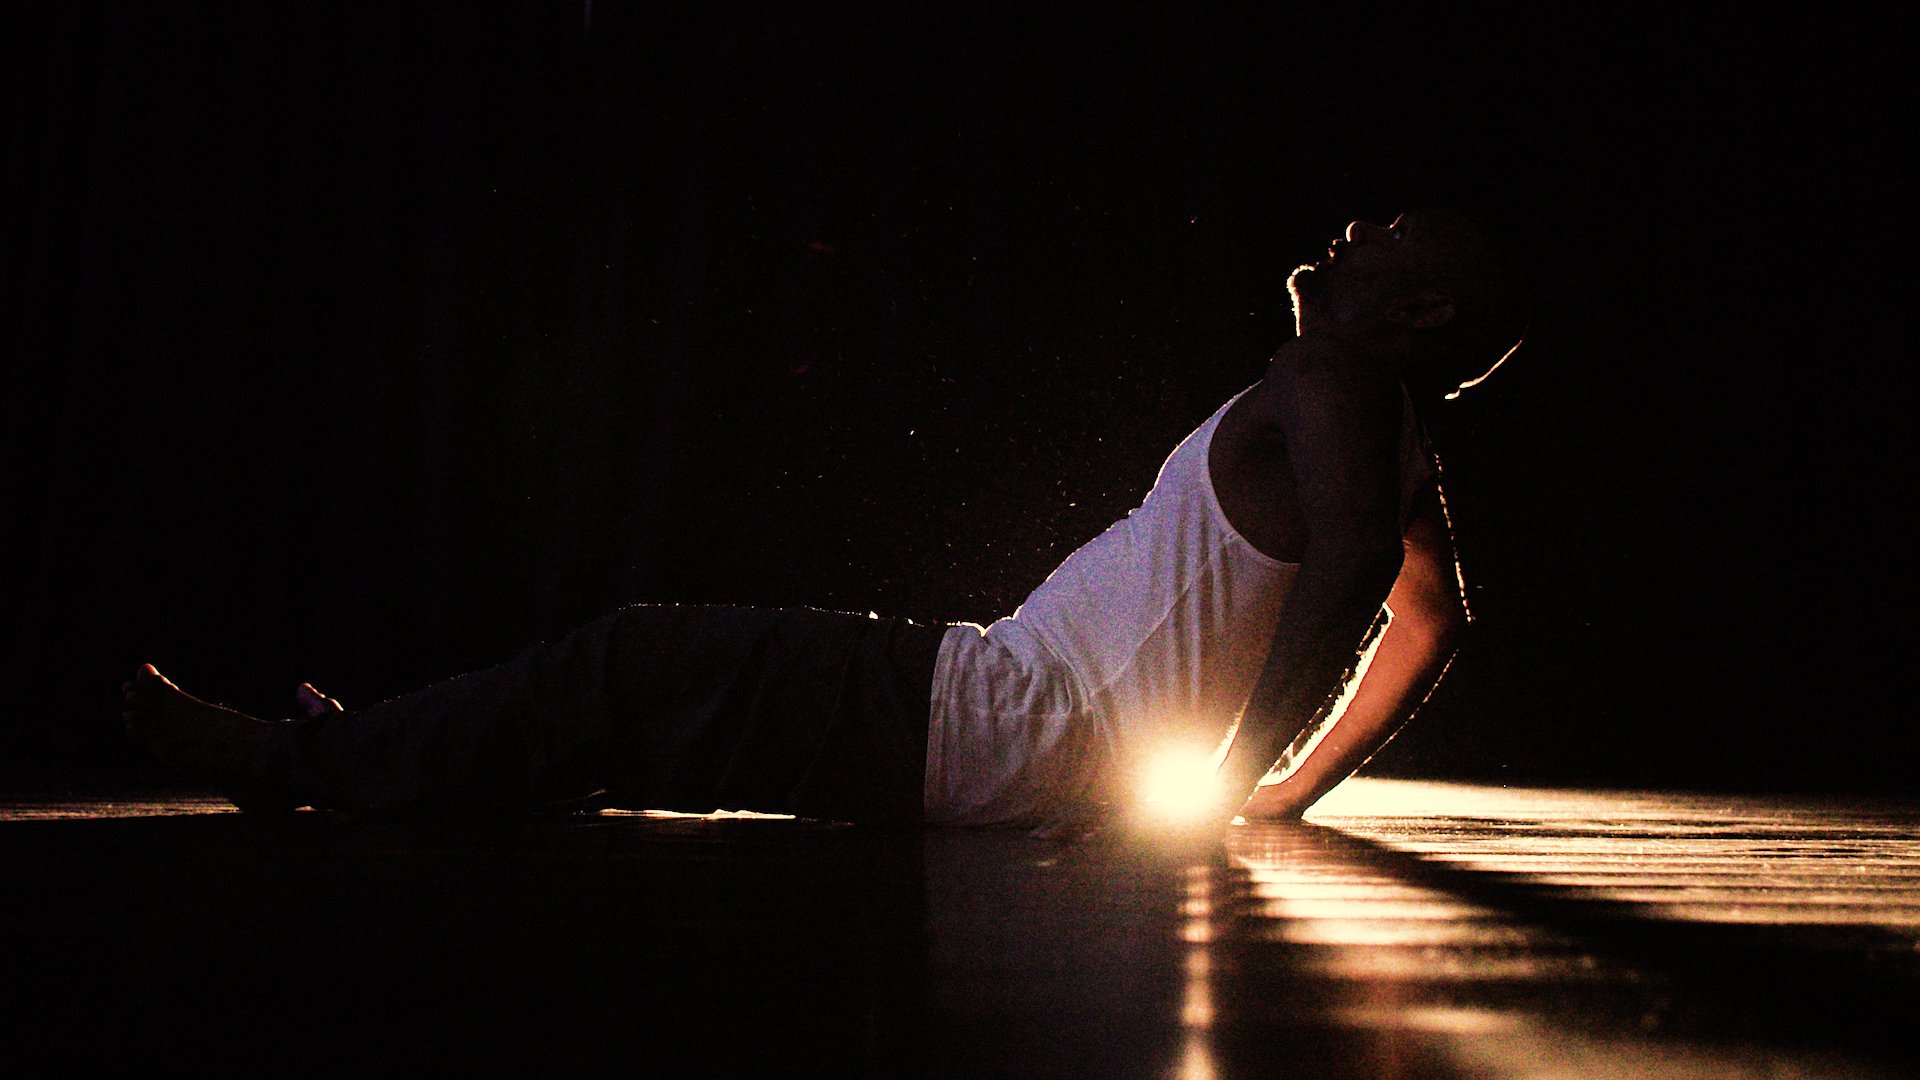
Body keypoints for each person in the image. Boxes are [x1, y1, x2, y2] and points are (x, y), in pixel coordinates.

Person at [123, 209, 1526, 830]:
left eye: (1394, 230)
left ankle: (297, 765)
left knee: (634, 660)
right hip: (1020, 727)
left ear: (1419, 309)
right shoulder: (1397, 438)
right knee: (630, 704)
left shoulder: (1328, 377)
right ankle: (371, 754)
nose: (1354, 228)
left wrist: (1235, 781)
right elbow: (1432, 614)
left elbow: (1358, 576)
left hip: (1007, 721)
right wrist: (1281, 785)